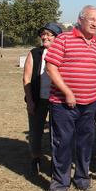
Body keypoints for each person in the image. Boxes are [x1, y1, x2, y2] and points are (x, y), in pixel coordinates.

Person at [45, 6, 96, 191]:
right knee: (63, 143)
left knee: (85, 144)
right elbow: (51, 68)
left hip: (90, 104)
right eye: (91, 19)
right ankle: (60, 186)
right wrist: (67, 92)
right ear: (80, 19)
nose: (95, 23)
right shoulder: (64, 39)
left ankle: (82, 180)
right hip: (63, 104)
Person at [22, 22, 63, 176]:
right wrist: (30, 101)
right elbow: (26, 79)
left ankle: (56, 163)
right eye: (43, 34)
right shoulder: (35, 53)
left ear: (57, 37)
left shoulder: (64, 54)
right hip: (38, 99)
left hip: (57, 100)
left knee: (57, 133)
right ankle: (35, 159)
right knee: (35, 131)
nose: (45, 37)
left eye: (49, 34)